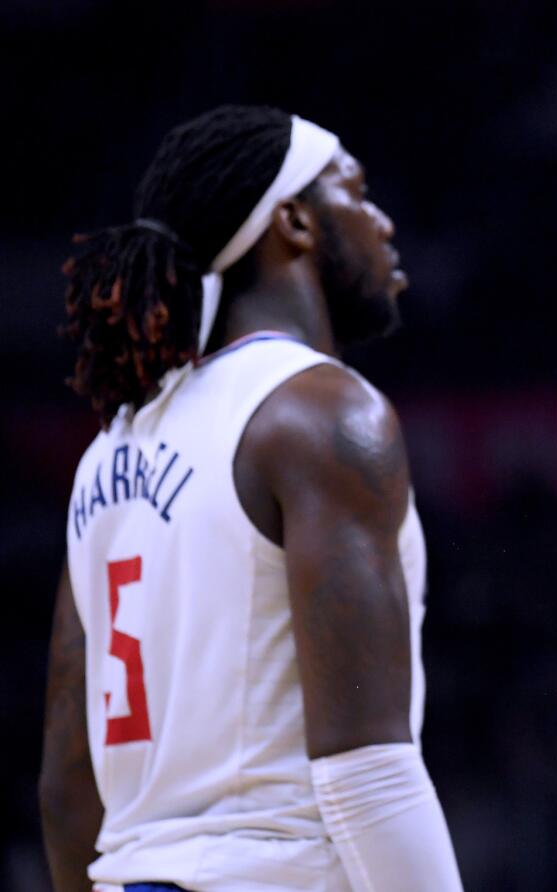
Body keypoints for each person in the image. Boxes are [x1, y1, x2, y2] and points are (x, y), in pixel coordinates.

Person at [39, 105, 463, 892]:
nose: (382, 222)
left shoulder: (107, 453)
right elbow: (366, 770)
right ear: (294, 222)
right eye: (358, 193)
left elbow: (68, 793)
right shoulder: (320, 411)